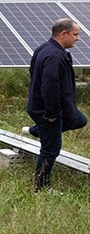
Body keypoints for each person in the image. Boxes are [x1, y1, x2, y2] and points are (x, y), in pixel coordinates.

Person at [25, 18, 87, 191]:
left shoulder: (44, 49)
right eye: (75, 35)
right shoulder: (54, 55)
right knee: (51, 149)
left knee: (79, 120)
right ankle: (41, 187)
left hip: (50, 107)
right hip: (47, 111)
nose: (78, 38)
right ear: (63, 34)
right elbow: (49, 88)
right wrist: (52, 114)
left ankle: (36, 131)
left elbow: (33, 74)